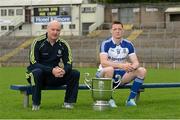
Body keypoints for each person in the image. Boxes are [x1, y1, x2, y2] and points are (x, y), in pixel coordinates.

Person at [26, 20, 80, 111]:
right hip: (38, 75)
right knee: (37, 72)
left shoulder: (63, 44)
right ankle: (36, 104)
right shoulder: (37, 42)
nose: (55, 32)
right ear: (47, 29)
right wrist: (51, 70)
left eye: (58, 30)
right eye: (53, 29)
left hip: (54, 75)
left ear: (60, 31)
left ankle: (68, 103)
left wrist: (63, 71)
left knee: (75, 73)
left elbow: (69, 63)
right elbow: (34, 63)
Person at [96, 21, 147, 107]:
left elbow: (136, 62)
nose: (117, 31)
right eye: (115, 29)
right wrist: (122, 65)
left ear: (123, 31)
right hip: (104, 74)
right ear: (111, 31)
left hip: (121, 75)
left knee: (142, 71)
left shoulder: (129, 44)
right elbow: (104, 63)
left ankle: (130, 100)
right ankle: (109, 99)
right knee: (110, 69)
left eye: (119, 29)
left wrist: (132, 67)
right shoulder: (105, 44)